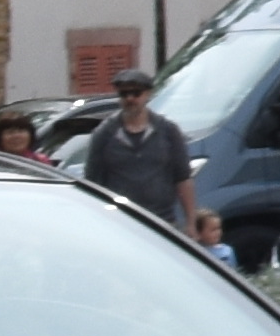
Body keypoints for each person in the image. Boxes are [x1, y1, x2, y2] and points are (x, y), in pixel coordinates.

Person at [64, 62, 214, 250]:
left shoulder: (168, 131)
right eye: (124, 94)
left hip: (162, 221)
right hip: (120, 223)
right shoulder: (104, 134)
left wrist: (191, 222)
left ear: (147, 95)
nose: (130, 99)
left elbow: (183, 178)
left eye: (136, 93)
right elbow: (93, 181)